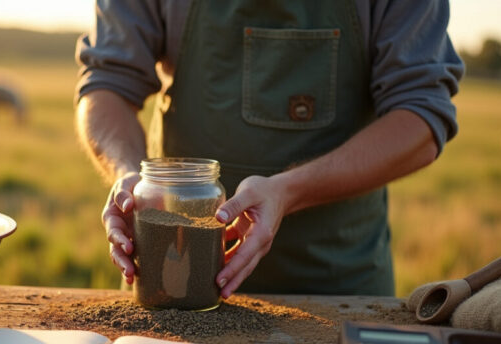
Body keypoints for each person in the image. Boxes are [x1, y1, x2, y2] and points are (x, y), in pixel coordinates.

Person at [74, 0, 464, 298]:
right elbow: (107, 82)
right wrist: (129, 174)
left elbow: (421, 115)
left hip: (339, 287)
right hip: (172, 284)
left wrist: (287, 191)